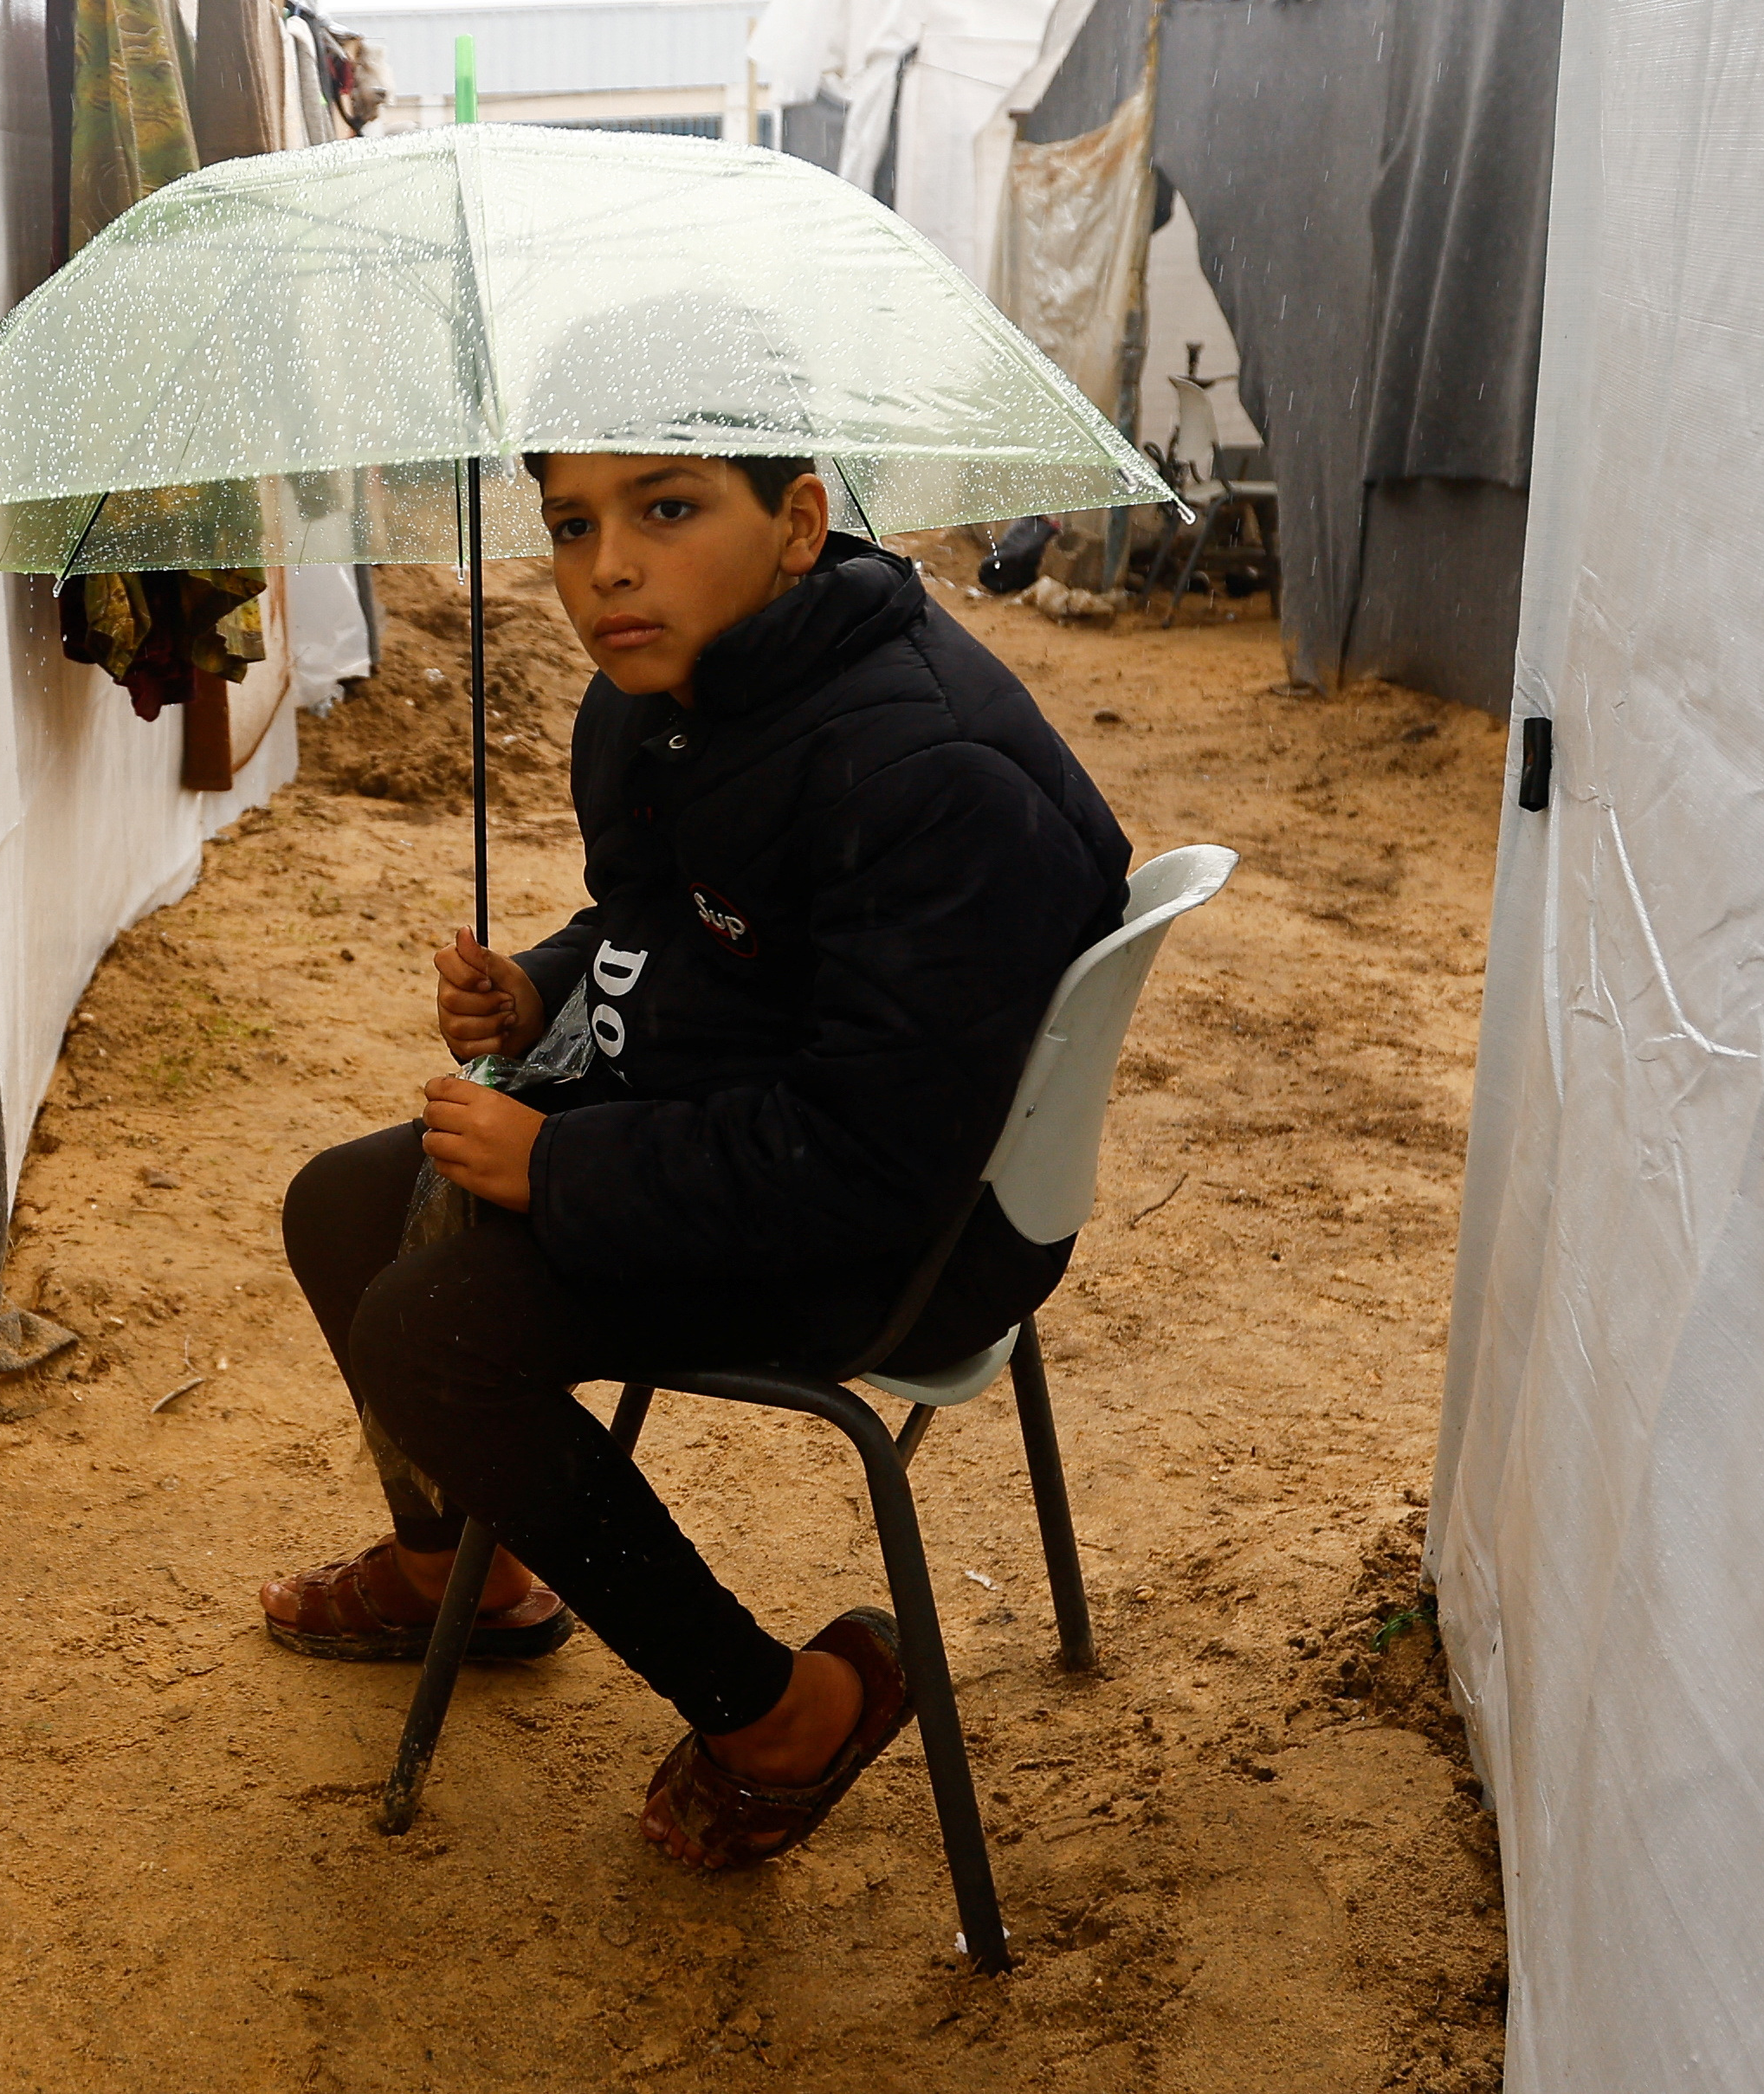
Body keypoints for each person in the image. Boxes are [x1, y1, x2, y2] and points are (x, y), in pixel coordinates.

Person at [259, 451, 1131, 1869]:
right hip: (756, 1125)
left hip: (912, 1235)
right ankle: (458, 1582)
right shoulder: (663, 701)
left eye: (666, 510)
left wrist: (558, 1170)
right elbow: (655, 920)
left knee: (436, 1329)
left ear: (796, 522)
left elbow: (869, 1160)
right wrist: (546, 991)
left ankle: (785, 1711)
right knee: (345, 1202)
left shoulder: (925, 771)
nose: (607, 564)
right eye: (569, 523)